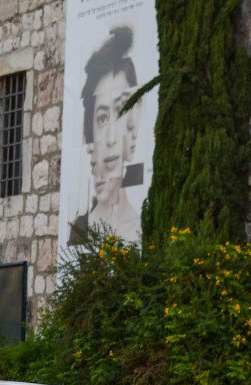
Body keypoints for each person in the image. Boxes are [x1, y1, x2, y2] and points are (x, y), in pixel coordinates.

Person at [70, 26, 143, 242]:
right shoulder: (78, 231)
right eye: (102, 118)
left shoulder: (143, 229)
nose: (111, 138)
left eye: (120, 111)